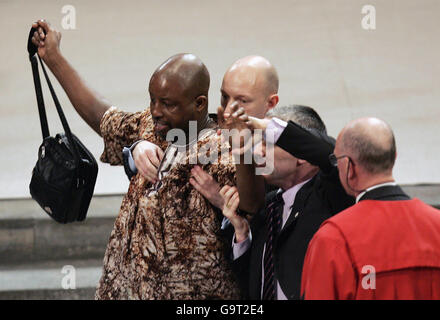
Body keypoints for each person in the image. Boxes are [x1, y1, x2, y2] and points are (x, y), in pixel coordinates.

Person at [30, 19, 241, 299]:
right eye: (153, 100)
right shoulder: (150, 127)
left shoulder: (224, 150)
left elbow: (257, 208)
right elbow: (103, 117)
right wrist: (54, 58)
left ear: (199, 103)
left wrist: (226, 201)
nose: (156, 111)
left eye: (168, 103)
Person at [218, 104, 354, 300]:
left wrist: (266, 125)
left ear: (301, 154)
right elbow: (250, 283)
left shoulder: (331, 194)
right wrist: (242, 235)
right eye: (258, 142)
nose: (258, 151)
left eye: (268, 142)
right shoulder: (268, 206)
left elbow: (328, 152)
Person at [300, 117, 440, 300]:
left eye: (337, 160)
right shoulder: (436, 225)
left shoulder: (334, 237)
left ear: (349, 167)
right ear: (394, 157)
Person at [123, 55, 280, 208]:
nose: (227, 111)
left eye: (242, 101)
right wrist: (138, 146)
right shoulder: (211, 135)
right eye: (225, 97)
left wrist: (222, 203)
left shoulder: (278, 151)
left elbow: (262, 213)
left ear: (271, 102)